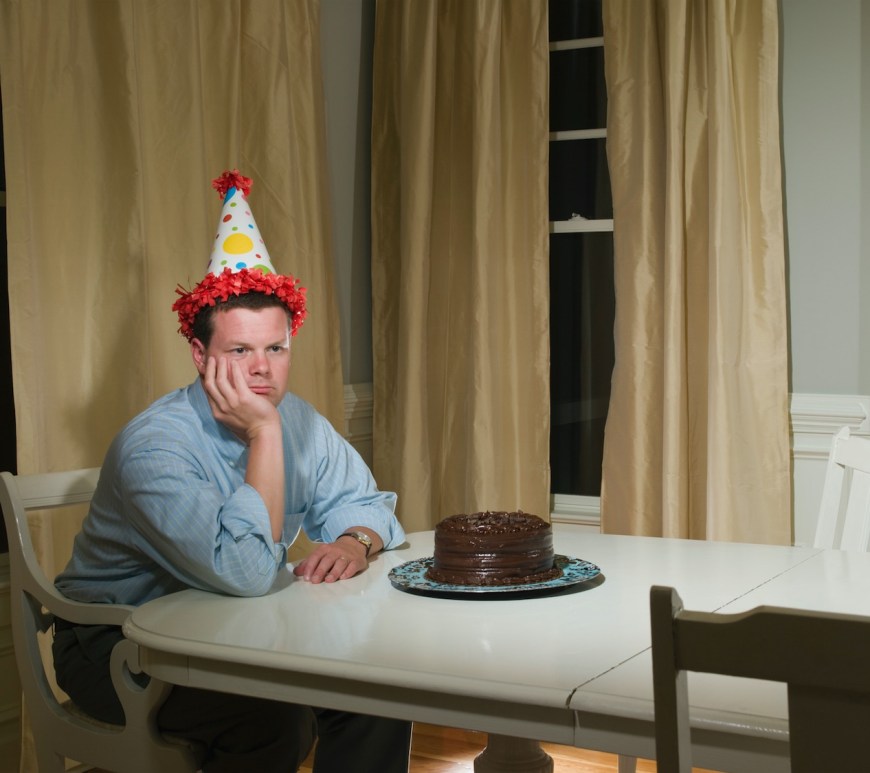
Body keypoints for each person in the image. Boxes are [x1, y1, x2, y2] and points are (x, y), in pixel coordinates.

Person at [53, 170, 412, 772]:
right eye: (240, 350)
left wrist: (356, 539)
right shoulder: (153, 447)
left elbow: (367, 503)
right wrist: (263, 433)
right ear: (200, 355)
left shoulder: (300, 419)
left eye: (276, 348)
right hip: (118, 644)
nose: (262, 369)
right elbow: (244, 574)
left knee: (378, 691)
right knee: (273, 721)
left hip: (236, 627)